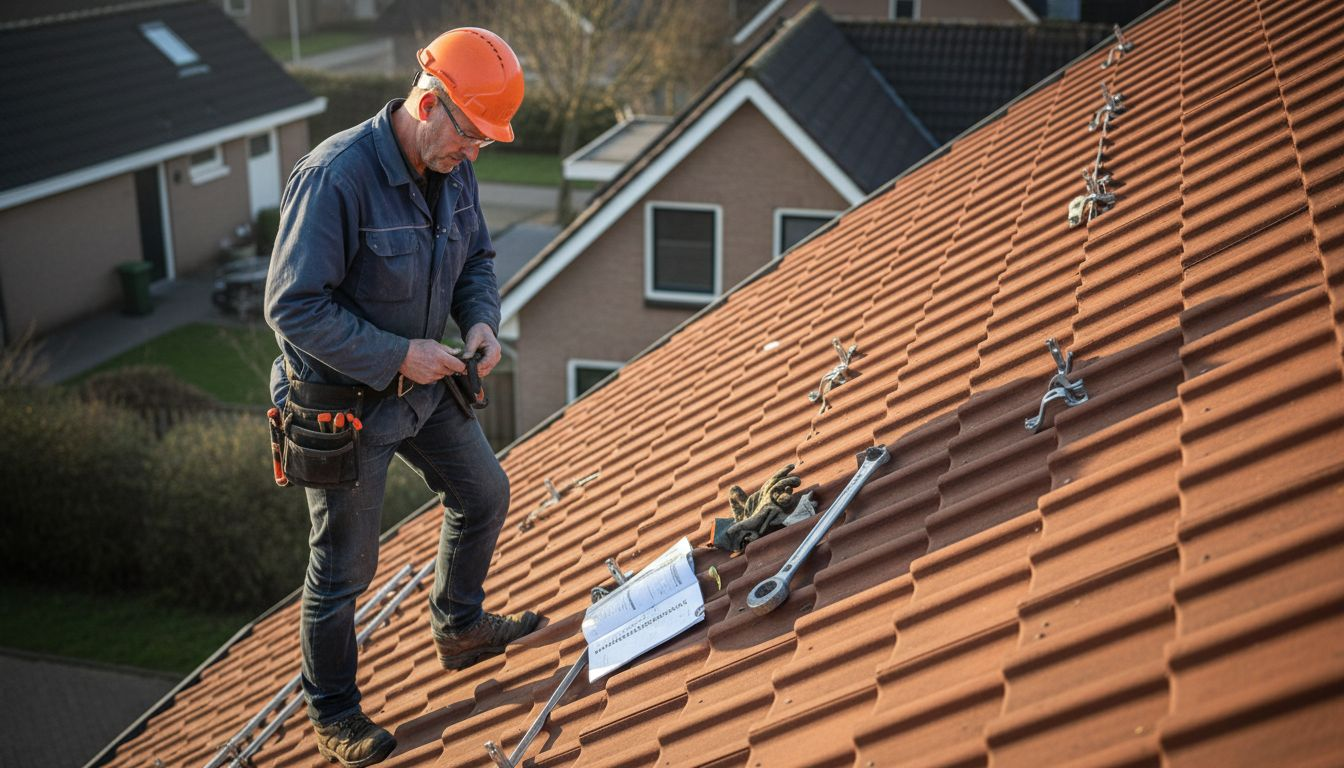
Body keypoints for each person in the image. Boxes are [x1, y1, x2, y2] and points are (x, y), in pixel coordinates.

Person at [263, 27, 539, 767]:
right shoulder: (335, 178)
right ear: (429, 101)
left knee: (484, 492)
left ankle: (458, 626)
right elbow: (292, 307)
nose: (473, 155)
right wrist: (397, 355)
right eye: (471, 136)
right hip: (341, 407)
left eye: (484, 142)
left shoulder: (453, 170)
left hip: (420, 385)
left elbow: (476, 256)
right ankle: (335, 713)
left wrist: (481, 319)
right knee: (344, 570)